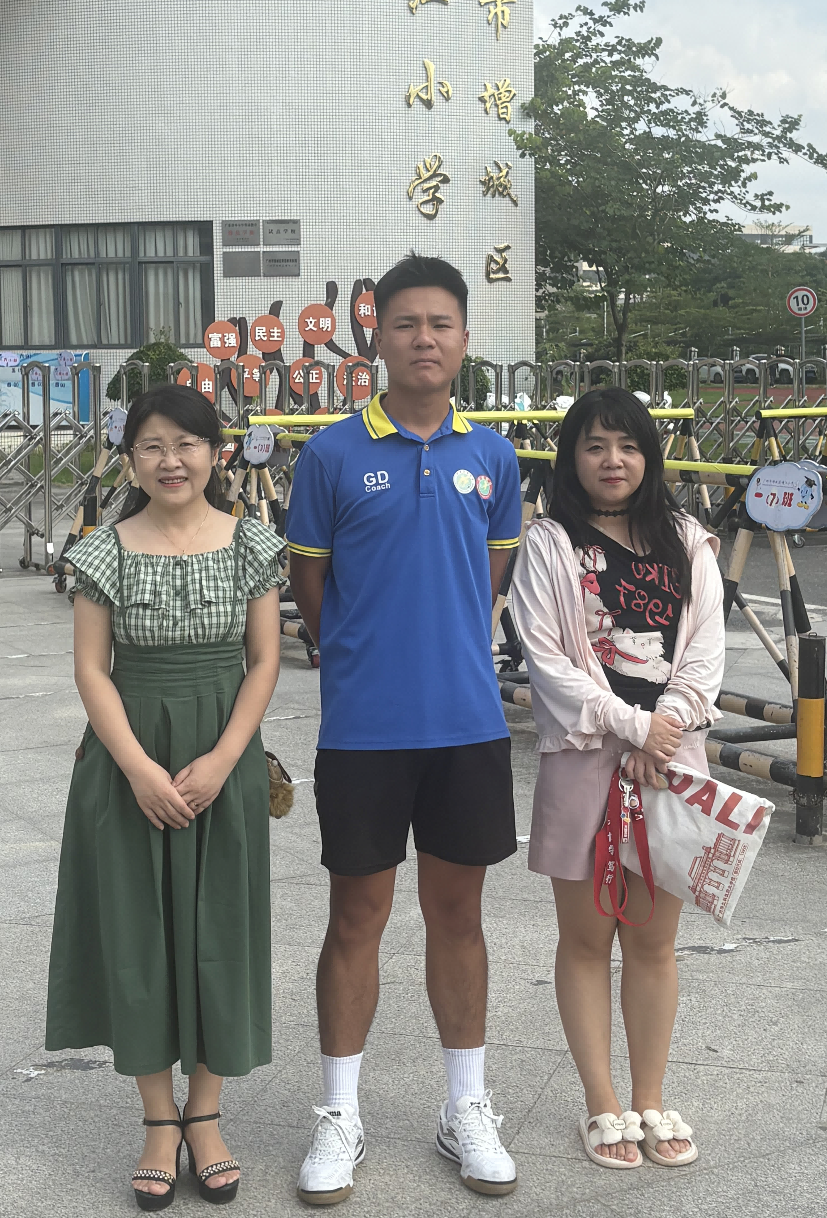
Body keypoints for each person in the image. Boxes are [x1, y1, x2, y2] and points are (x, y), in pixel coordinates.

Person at [285, 253, 523, 1204]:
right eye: (406, 323)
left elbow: (489, 579)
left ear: (465, 338)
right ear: (375, 336)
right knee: (357, 918)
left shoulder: (492, 456)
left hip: (467, 722)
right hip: (364, 729)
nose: (425, 339)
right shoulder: (332, 455)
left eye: (441, 324)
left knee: (459, 916)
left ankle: (465, 1106)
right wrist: (361, 654)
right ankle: (339, 1114)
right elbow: (311, 586)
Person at [44, 384, 284, 1211]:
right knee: (137, 932)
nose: (170, 461)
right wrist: (140, 770)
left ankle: (206, 1113)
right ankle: (157, 1120)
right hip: (127, 759)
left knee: (221, 926)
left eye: (186, 444)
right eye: (151, 445)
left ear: (217, 453)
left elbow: (264, 660)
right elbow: (91, 670)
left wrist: (223, 759)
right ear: (130, 459)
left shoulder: (252, 543)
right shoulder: (103, 552)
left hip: (225, 756)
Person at [510, 387, 724, 1171]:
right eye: (595, 445)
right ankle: (602, 1103)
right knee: (586, 937)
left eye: (628, 446)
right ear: (571, 456)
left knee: (655, 942)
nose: (613, 460)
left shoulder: (687, 540)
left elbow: (704, 652)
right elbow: (546, 658)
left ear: (649, 456)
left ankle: (651, 1099)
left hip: (671, 762)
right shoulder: (550, 543)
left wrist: (665, 731)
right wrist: (634, 728)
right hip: (584, 755)